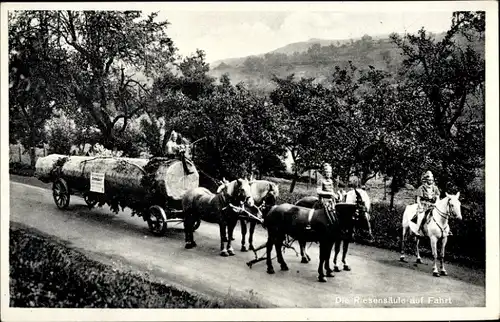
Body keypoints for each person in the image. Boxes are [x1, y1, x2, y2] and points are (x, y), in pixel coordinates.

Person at [307, 163, 336, 229]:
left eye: (330, 172)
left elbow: (332, 191)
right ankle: (309, 223)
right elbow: (319, 191)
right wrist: (330, 194)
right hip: (323, 201)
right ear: (324, 173)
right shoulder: (321, 181)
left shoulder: (331, 181)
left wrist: (336, 195)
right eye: (327, 172)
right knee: (313, 211)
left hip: (331, 201)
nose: (329, 174)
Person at [414, 170, 442, 236]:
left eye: (432, 180)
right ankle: (418, 230)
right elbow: (418, 199)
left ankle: (444, 230)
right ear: (426, 180)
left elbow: (438, 197)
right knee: (421, 216)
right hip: (424, 205)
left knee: (441, 215)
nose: (431, 181)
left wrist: (436, 203)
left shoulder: (435, 188)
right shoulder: (421, 188)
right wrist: (420, 206)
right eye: (429, 180)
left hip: (433, 205)